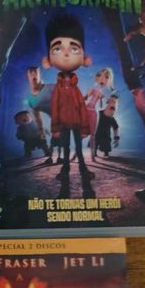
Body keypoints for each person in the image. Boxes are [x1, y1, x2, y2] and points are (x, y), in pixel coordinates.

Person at [42, 14, 95, 183]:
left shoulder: (75, 88)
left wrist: (85, 127)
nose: (66, 54)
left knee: (78, 149)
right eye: (57, 49)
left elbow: (82, 108)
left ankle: (83, 169)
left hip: (77, 124)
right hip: (64, 125)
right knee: (65, 148)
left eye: (74, 49)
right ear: (48, 60)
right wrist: (56, 127)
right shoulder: (58, 89)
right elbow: (55, 108)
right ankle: (64, 170)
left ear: (85, 59)